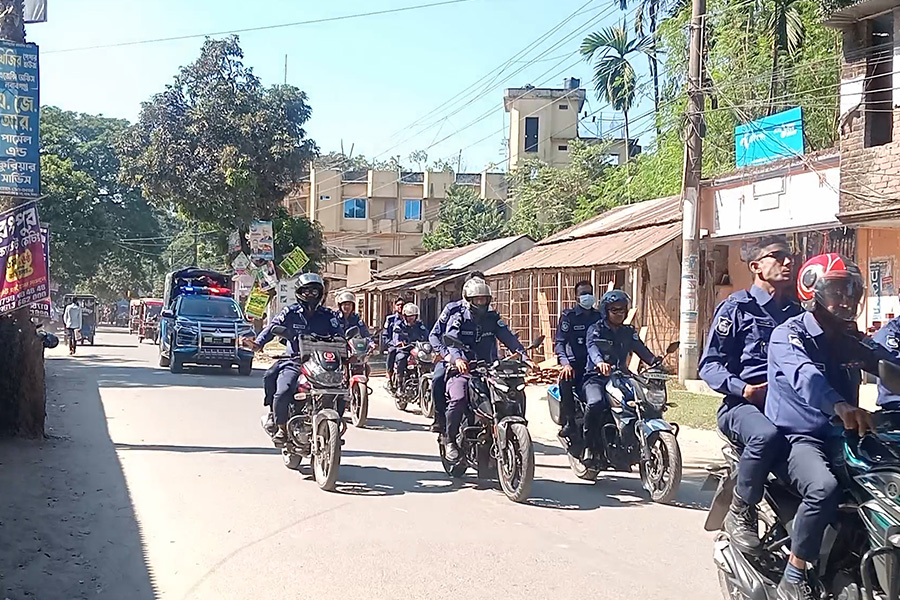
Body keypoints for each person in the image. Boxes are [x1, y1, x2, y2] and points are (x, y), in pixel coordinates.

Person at [765, 254, 875, 600]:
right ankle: (794, 573)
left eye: (850, 291)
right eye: (837, 291)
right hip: (800, 436)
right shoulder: (789, 335)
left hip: (846, 436)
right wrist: (838, 404)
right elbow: (805, 377)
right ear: (812, 290)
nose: (845, 300)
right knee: (824, 488)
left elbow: (887, 364)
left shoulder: (848, 338)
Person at [698, 235, 800, 554]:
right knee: (766, 436)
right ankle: (741, 511)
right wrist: (744, 389)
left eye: (790, 257)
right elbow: (709, 365)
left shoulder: (797, 313)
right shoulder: (737, 308)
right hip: (743, 406)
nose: (787, 262)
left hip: (790, 406)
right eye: (778, 256)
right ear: (756, 266)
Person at [245, 273, 342, 445]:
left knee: (341, 391)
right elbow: (273, 327)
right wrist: (258, 343)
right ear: (299, 292)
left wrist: (350, 350)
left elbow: (340, 336)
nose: (311, 295)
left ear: (320, 293)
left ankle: (334, 429)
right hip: (295, 362)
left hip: (321, 364)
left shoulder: (329, 315)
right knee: (282, 389)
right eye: (307, 291)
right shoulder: (290, 312)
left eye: (314, 291)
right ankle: (280, 426)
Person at [442, 278, 527, 461]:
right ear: (469, 300)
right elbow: (451, 340)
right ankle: (450, 440)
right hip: (463, 370)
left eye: (484, 299)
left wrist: (524, 356)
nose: (481, 303)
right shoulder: (458, 318)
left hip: (490, 370)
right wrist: (457, 359)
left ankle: (514, 437)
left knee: (513, 394)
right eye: (477, 299)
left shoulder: (493, 319)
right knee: (459, 398)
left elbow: (509, 338)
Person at [583, 290, 660, 458]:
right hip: (596, 377)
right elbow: (592, 348)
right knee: (596, 403)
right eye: (615, 310)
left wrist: (656, 362)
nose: (619, 314)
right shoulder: (595, 330)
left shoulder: (628, 332)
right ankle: (590, 447)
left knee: (643, 403)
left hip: (622, 377)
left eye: (622, 310)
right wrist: (600, 363)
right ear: (605, 310)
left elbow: (641, 350)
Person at [429, 271, 486, 433]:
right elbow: (435, 335)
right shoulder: (453, 309)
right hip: (449, 355)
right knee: (438, 378)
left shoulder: (486, 312)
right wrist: (447, 355)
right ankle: (440, 419)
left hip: (476, 360)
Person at [554, 280, 602, 439]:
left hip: (595, 364)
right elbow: (560, 343)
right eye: (583, 294)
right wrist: (565, 364)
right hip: (574, 364)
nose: (587, 296)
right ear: (576, 297)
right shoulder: (569, 317)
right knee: (565, 381)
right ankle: (569, 421)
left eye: (589, 293)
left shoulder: (599, 316)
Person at [391, 303, 429, 390]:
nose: (412, 318)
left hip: (417, 349)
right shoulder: (400, 325)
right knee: (401, 358)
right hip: (404, 349)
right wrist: (398, 342)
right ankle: (400, 384)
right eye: (409, 316)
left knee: (427, 360)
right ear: (404, 316)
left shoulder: (419, 325)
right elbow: (396, 335)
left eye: (413, 316)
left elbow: (427, 334)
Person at [382, 297, 406, 391]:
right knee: (391, 351)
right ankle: (389, 375)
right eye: (398, 305)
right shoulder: (390, 319)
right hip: (394, 345)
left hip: (406, 346)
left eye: (402, 305)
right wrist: (392, 343)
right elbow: (385, 335)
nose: (400, 307)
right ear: (395, 306)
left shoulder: (408, 318)